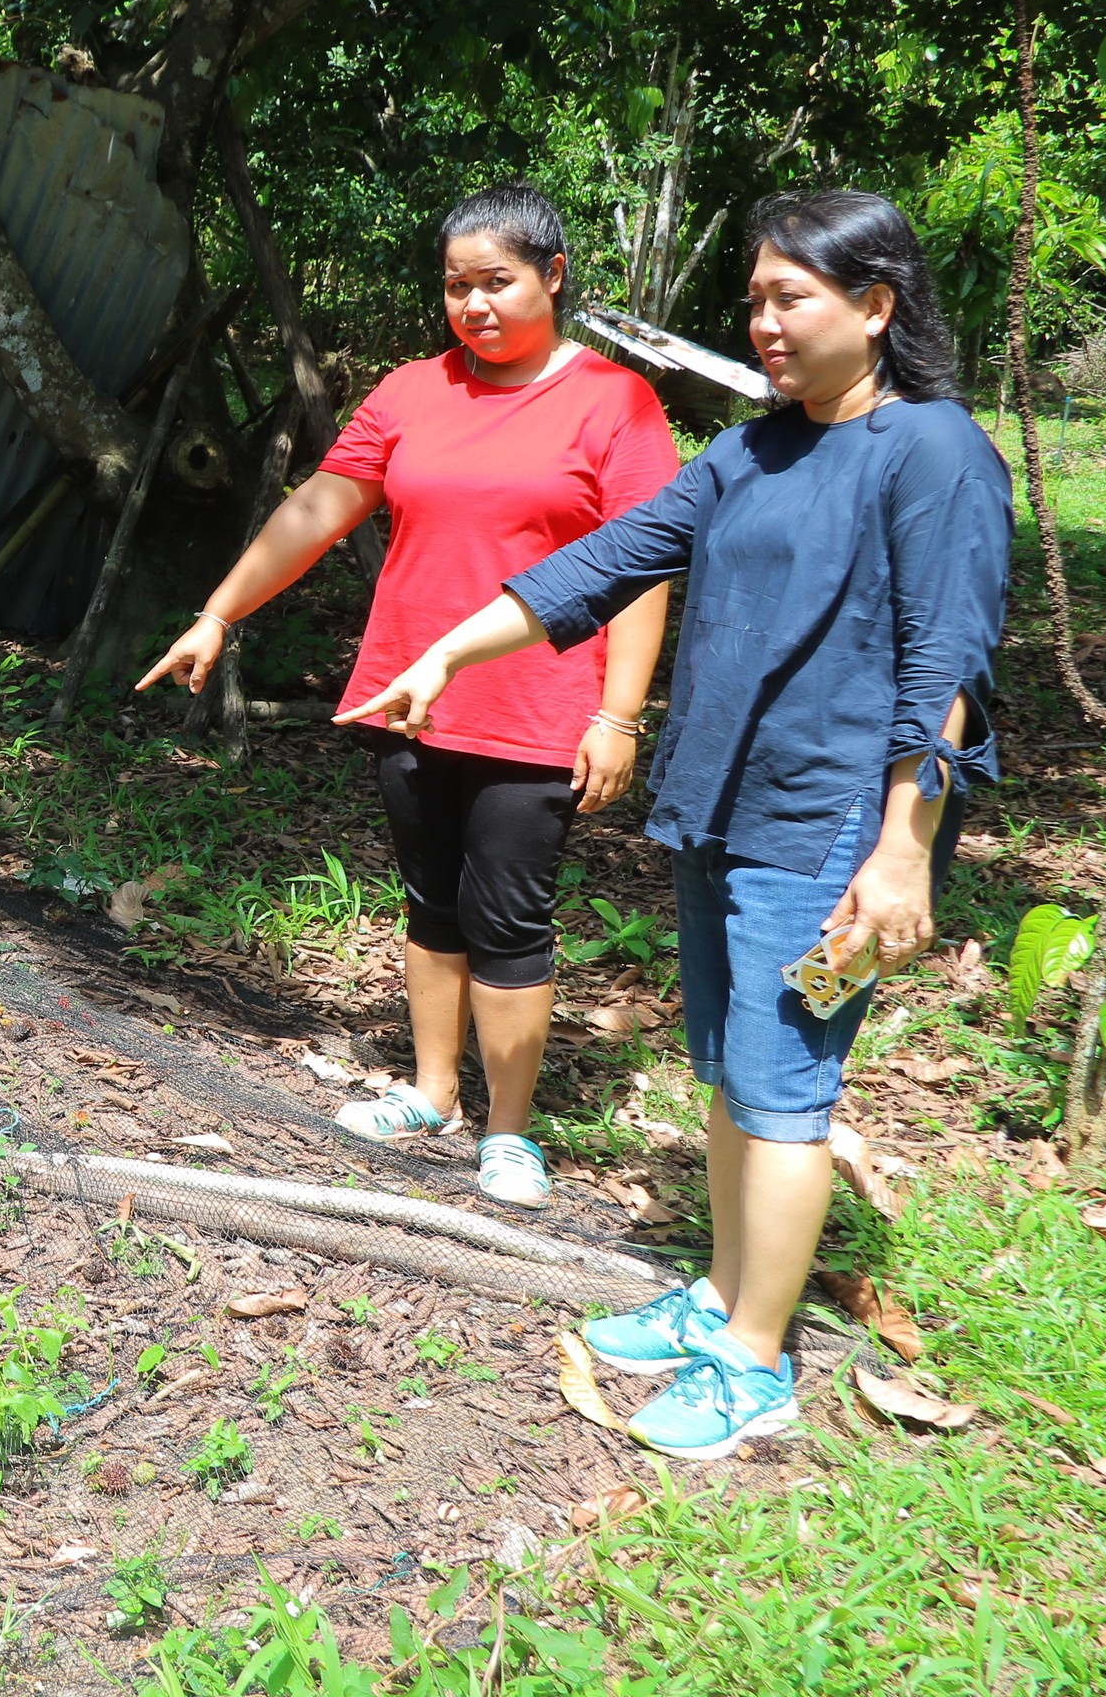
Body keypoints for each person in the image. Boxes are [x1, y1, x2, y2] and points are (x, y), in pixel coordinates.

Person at [336, 188, 1009, 1460]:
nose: (762, 322)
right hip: (722, 805)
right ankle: (719, 1291)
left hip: (826, 826)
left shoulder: (934, 451)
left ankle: (756, 1361)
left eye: (789, 298)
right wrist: (447, 656)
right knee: (724, 1073)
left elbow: (948, 669)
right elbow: (599, 565)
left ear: (876, 306)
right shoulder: (755, 452)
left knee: (786, 1090)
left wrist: (903, 846)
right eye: (754, 299)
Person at [137, 184, 679, 1211]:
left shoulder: (615, 401)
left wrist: (618, 714)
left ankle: (508, 1131)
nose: (474, 305)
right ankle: (434, 1091)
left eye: (498, 282)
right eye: (457, 285)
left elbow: (645, 567)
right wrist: (220, 610)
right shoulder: (411, 391)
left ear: (552, 277)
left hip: (540, 705)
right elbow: (320, 507)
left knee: (510, 913)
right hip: (410, 697)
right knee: (432, 899)